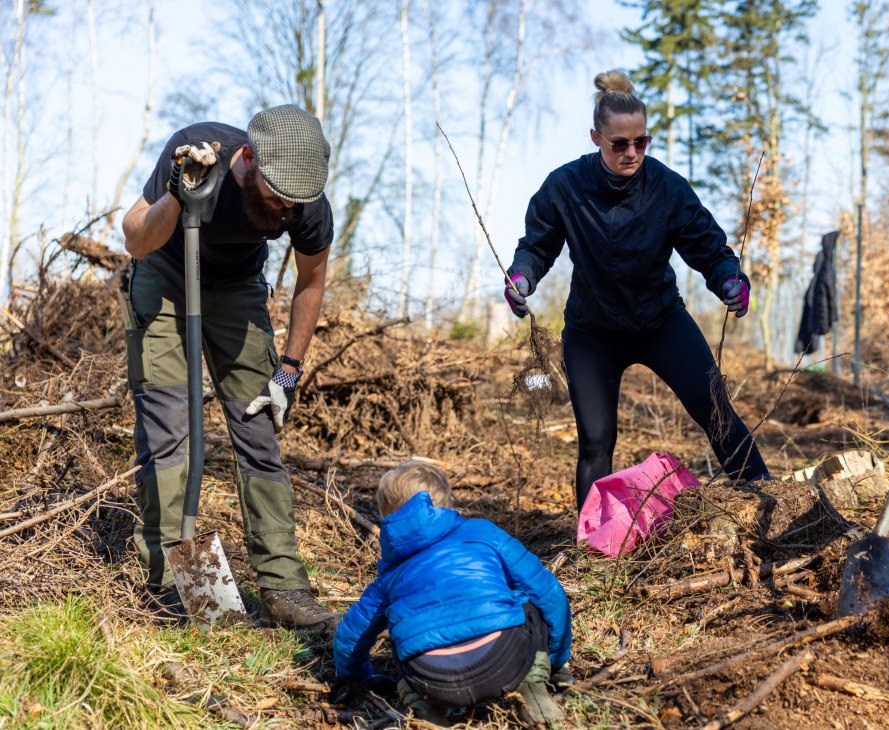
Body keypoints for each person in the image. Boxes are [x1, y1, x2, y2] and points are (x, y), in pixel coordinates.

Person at [504, 69, 771, 509]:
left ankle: (771, 503)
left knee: (716, 411)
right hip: (593, 332)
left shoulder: (666, 187)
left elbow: (707, 246)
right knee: (595, 441)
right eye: (620, 144)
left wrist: (729, 278)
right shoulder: (565, 187)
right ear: (596, 137)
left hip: (660, 321)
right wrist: (522, 277)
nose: (632, 152)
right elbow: (537, 245)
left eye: (641, 141)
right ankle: (592, 544)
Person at [120, 104, 339, 631]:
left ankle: (285, 587)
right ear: (248, 158)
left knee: (258, 433)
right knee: (169, 429)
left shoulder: (306, 203)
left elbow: (311, 283)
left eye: (294, 201)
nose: (285, 208)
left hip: (237, 290)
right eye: (275, 195)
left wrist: (287, 371)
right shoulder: (196, 150)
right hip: (165, 274)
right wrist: (178, 193)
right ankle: (167, 582)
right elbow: (134, 236)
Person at [332, 461, 571, 726]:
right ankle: (533, 688)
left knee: (403, 633)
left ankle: (425, 710)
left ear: (388, 515)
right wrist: (557, 661)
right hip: (505, 659)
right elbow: (550, 594)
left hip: (432, 679)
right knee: (528, 603)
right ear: (447, 502)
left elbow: (349, 637)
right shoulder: (484, 532)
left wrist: (360, 679)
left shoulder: (389, 575)